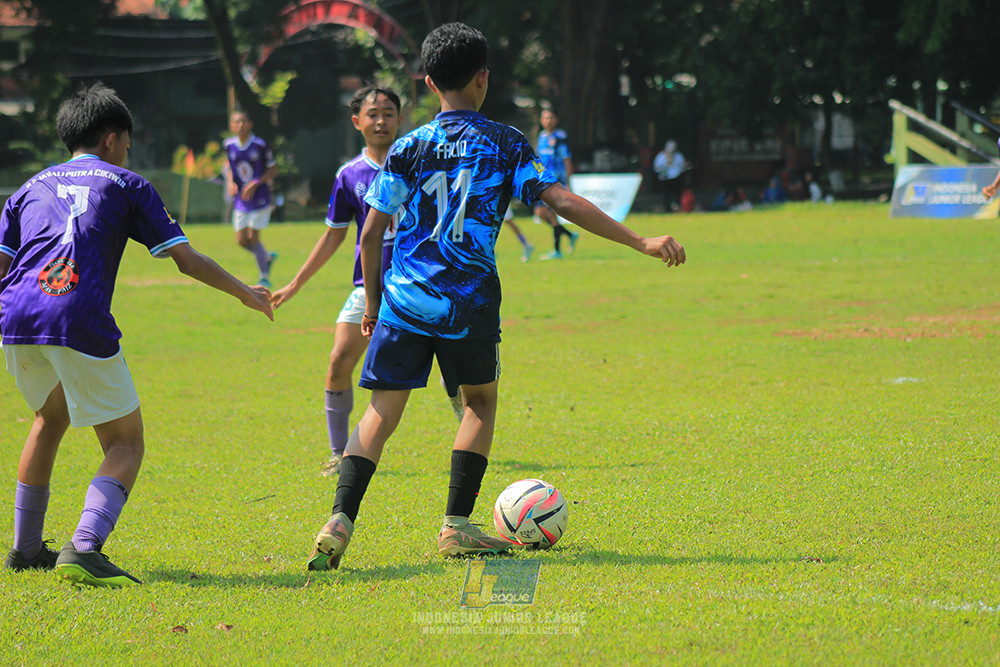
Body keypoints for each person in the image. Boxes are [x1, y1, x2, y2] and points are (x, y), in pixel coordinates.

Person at [305, 22, 685, 571]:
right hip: (469, 304)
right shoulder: (505, 142)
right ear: (483, 78)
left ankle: (340, 519)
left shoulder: (407, 147)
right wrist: (639, 239)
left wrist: (372, 304)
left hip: (404, 300)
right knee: (478, 404)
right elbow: (561, 202)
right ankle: (456, 526)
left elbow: (369, 233)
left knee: (381, 412)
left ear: (430, 82)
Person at [0, 83, 273, 587]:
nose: (128, 152)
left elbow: (1, 266)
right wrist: (245, 293)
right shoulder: (126, 183)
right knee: (125, 443)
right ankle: (83, 546)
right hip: (74, 314)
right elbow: (186, 259)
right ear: (110, 139)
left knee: (48, 418)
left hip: (15, 317)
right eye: (126, 143)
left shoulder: (27, 188)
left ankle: (25, 547)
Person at [270, 85, 414, 477]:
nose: (381, 120)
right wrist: (295, 284)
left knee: (444, 362)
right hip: (366, 288)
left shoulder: (417, 164)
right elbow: (334, 234)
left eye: (388, 112)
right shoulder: (350, 175)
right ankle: (339, 453)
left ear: (401, 119)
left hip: (416, 284)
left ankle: (457, 397)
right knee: (337, 363)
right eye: (373, 114)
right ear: (357, 122)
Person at [225, 111, 279, 287]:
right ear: (232, 126)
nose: (240, 125)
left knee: (253, 237)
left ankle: (264, 276)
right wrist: (231, 184)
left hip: (260, 197)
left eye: (243, 121)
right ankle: (267, 257)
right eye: (236, 122)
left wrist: (256, 182)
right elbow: (230, 168)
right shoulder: (229, 145)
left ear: (250, 123)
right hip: (241, 199)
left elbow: (273, 170)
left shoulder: (259, 145)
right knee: (241, 240)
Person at [533, 109, 579, 260]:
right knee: (540, 213)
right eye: (545, 118)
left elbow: (567, 159)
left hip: (555, 181)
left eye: (550, 117)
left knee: (551, 214)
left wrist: (568, 181)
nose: (548, 120)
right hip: (542, 179)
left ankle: (557, 250)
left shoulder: (560, 137)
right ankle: (570, 235)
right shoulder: (542, 137)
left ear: (556, 119)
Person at [653, 140, 686, 212]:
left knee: (677, 194)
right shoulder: (661, 156)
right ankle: (667, 208)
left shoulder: (678, 156)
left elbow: (682, 167)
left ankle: (677, 207)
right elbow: (657, 167)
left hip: (676, 178)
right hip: (665, 178)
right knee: (666, 195)